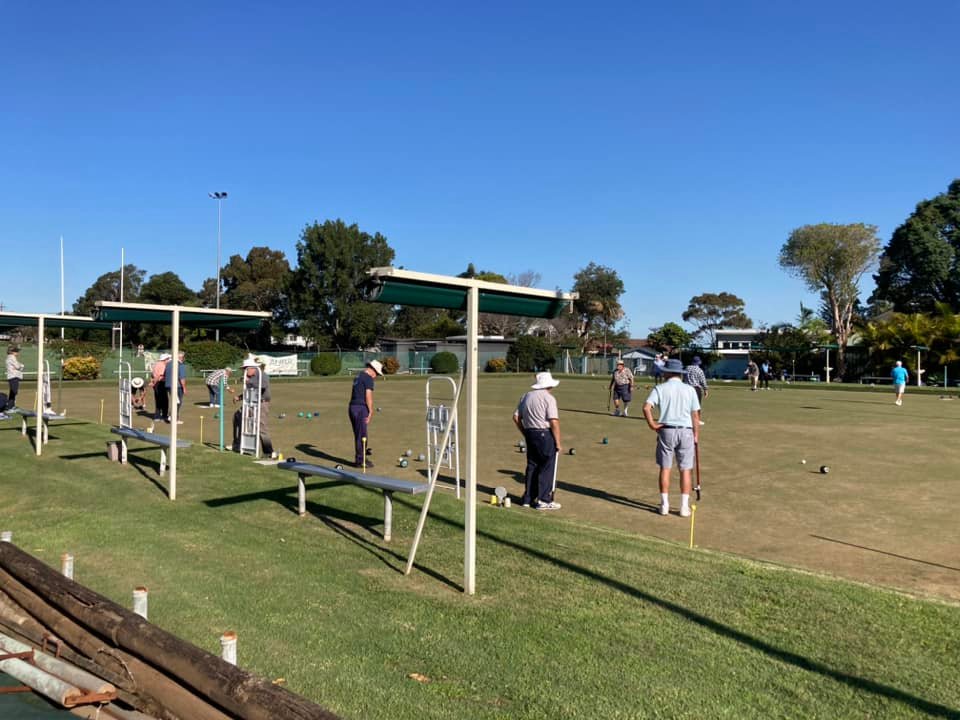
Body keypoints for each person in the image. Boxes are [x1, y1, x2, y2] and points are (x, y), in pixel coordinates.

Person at [642, 358, 701, 517]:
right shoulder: (690, 389)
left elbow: (646, 408)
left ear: (667, 373)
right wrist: (696, 435)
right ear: (680, 373)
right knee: (685, 470)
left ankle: (664, 505)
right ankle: (683, 507)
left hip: (666, 430)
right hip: (686, 431)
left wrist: (652, 425)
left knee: (665, 468)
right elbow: (695, 415)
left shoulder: (660, 388)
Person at [513, 371, 563, 510]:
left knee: (532, 466)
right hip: (544, 434)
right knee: (547, 466)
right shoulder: (549, 398)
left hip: (530, 434)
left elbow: (516, 417)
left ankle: (527, 499)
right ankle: (544, 500)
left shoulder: (526, 396)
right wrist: (558, 442)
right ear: (549, 385)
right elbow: (554, 421)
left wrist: (525, 433)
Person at [233, 356, 276, 458]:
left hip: (262, 403)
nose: (244, 371)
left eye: (245, 369)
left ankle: (268, 451)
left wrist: (248, 381)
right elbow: (250, 392)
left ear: (251, 368)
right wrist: (239, 397)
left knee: (261, 427)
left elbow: (262, 386)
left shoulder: (262, 375)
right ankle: (238, 444)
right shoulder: (249, 377)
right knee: (238, 416)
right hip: (250, 403)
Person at [347, 359, 383, 468]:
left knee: (359, 435)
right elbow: (368, 396)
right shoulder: (368, 378)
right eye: (377, 374)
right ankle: (360, 461)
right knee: (362, 436)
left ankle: (361, 457)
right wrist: (370, 411)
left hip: (352, 407)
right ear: (373, 370)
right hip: (360, 408)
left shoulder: (358, 376)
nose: (376, 376)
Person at [684, 356, 708, 425]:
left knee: (686, 404)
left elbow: (684, 378)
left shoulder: (687, 368)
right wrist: (705, 389)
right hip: (696, 389)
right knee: (697, 405)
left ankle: (685, 419)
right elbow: (703, 380)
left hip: (686, 388)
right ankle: (697, 420)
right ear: (698, 362)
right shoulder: (699, 370)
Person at [164, 351, 187, 423]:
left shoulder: (168, 363)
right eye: (183, 357)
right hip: (177, 386)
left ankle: (171, 417)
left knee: (175, 401)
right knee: (178, 402)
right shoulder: (180, 364)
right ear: (181, 357)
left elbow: (165, 374)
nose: (184, 358)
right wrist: (184, 387)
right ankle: (173, 418)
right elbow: (182, 378)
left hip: (168, 385)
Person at [150, 353, 170, 421]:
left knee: (158, 399)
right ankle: (164, 415)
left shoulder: (156, 364)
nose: (169, 360)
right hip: (160, 383)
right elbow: (159, 376)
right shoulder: (162, 365)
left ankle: (157, 415)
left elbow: (153, 375)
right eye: (168, 359)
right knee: (164, 400)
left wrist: (153, 382)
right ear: (165, 359)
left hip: (157, 383)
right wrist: (154, 383)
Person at [5, 345, 24, 411]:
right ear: (12, 352)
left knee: (13, 391)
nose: (18, 352)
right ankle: (10, 406)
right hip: (13, 376)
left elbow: (17, 367)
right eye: (16, 351)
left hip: (12, 376)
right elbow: (18, 366)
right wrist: (21, 365)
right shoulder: (12, 357)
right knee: (14, 391)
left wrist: (19, 366)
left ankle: (11, 405)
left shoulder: (10, 357)